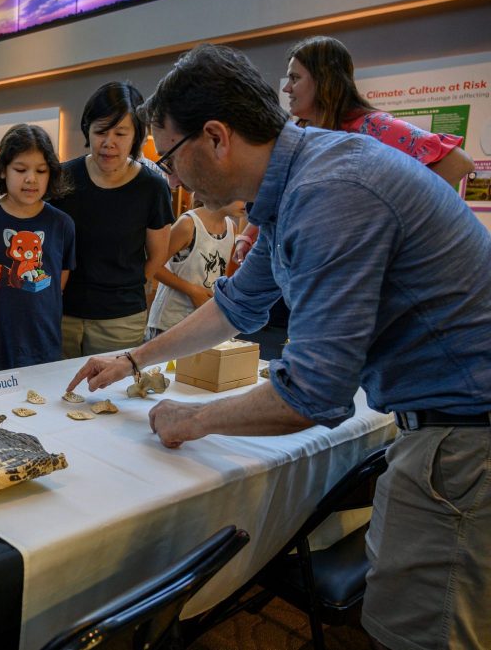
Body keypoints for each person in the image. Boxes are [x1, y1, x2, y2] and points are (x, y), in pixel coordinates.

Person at [68, 43, 490, 650]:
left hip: (464, 437)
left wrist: (193, 420)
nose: (172, 177)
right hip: (450, 428)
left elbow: (313, 395)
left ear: (216, 137)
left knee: (424, 632)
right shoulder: (299, 183)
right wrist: (133, 359)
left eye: (171, 157)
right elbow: (237, 306)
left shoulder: (330, 193)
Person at [232, 35, 475, 267]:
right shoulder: (299, 133)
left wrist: (387, 218)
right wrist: (248, 234)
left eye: (295, 78)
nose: (287, 89)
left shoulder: (372, 126)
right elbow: (278, 193)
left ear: (323, 79)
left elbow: (458, 163)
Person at [54, 81, 174, 358]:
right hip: (63, 314)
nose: (109, 143)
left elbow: (158, 254)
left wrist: (126, 284)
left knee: (111, 397)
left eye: (120, 133)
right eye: (100, 132)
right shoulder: (63, 178)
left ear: (136, 137)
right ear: (88, 130)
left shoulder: (152, 187)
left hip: (120, 320)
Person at [0, 123, 76, 373]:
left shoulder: (62, 225)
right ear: (2, 170)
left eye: (41, 171)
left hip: (42, 346)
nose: (31, 179)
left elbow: (58, 283)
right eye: (20, 169)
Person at [145, 198, 244, 339]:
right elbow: (155, 266)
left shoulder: (231, 227)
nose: (248, 203)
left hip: (201, 323)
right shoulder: (188, 224)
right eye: (240, 196)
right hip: (169, 322)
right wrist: (192, 291)